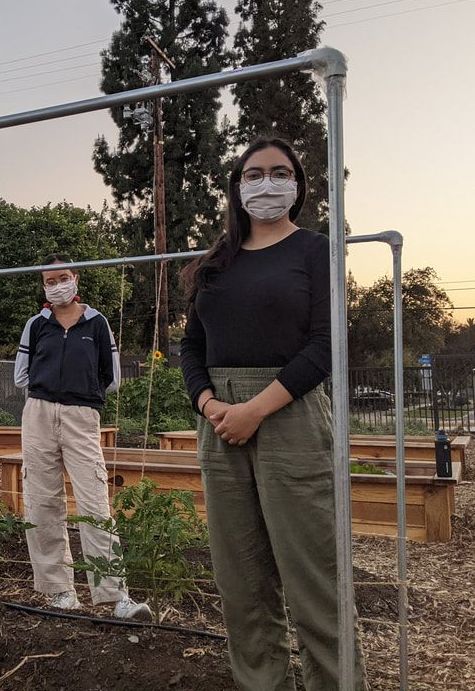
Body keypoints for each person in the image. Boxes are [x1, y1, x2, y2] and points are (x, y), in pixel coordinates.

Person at [180, 137, 367, 690]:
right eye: (254, 173)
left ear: (298, 185)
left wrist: (255, 410)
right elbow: (192, 347)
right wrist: (211, 403)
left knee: (314, 577)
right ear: (238, 187)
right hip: (219, 421)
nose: (266, 182)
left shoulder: (315, 250)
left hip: (289, 412)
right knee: (241, 580)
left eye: (279, 172)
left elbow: (325, 345)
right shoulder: (218, 260)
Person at [14, 253, 152, 620]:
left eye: (63, 278)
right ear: (43, 286)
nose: (57, 285)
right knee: (42, 500)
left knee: (94, 499)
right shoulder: (37, 325)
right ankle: (59, 590)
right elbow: (21, 375)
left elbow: (112, 376)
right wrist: (49, 396)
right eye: (49, 281)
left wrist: (80, 395)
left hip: (82, 416)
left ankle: (113, 593)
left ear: (75, 279)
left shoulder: (97, 322)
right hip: (39, 413)